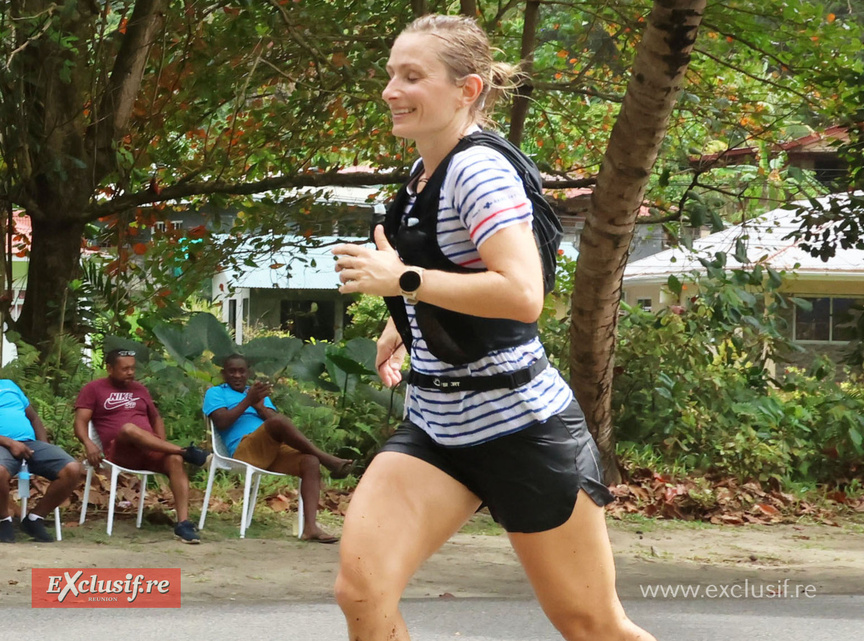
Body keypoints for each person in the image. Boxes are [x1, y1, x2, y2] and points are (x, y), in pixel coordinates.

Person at [330, 14, 656, 641]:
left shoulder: (478, 171)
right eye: (391, 74)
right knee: (362, 590)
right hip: (437, 427)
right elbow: (449, 270)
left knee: (591, 625)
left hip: (521, 429)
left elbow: (522, 294)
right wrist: (408, 320)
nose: (391, 90)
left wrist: (403, 282)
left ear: (468, 89)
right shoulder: (425, 172)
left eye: (412, 76)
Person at [202, 354, 354, 543]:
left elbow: (277, 422)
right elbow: (222, 422)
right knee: (278, 423)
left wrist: (260, 407)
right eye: (232, 371)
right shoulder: (216, 393)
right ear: (224, 374)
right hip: (244, 450)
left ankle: (310, 528)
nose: (237, 375)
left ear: (248, 373)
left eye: (241, 371)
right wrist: (247, 401)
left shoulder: (256, 394)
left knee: (310, 461)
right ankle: (328, 459)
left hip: (271, 450)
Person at [73, 349, 210, 544]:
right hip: (121, 453)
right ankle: (185, 452)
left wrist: (160, 443)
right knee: (129, 428)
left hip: (149, 451)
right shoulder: (94, 389)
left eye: (132, 368)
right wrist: (88, 443)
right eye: (125, 369)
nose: (130, 372)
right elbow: (80, 422)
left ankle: (183, 523)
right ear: (110, 368)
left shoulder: (140, 389)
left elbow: (156, 418)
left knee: (174, 460)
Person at [0, 379, 84, 543]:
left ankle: (35, 519)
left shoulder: (10, 385)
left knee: (72, 468)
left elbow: (34, 418)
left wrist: (44, 446)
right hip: (3, 446)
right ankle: (3, 520)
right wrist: (10, 443)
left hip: (30, 444)